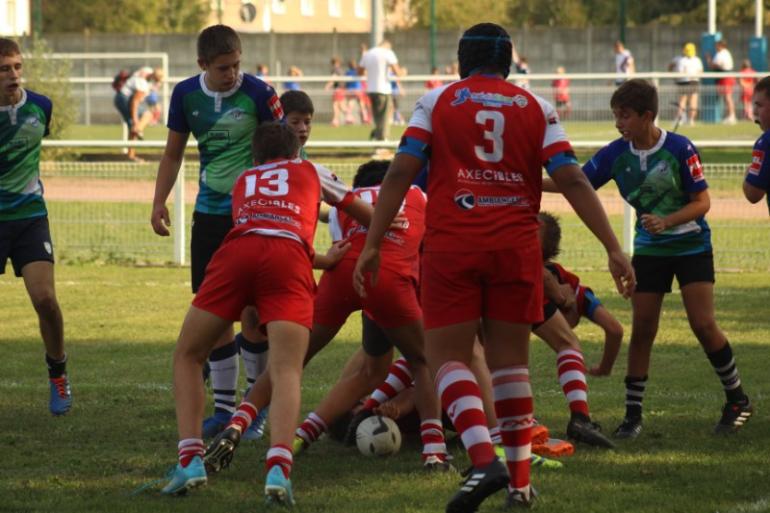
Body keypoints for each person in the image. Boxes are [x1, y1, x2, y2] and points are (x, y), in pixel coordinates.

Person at [353, 23, 634, 511]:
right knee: (511, 367)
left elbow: (400, 169)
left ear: (463, 60)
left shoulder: (438, 101)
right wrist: (612, 246)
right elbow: (569, 176)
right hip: (516, 248)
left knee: (445, 360)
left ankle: (484, 459)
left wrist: (373, 243)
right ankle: (520, 486)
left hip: (453, 245)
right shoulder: (537, 107)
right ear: (509, 61)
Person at [159, 122, 362, 504]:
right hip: (287, 259)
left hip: (238, 252)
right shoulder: (309, 169)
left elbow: (264, 230)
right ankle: (278, 469)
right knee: (286, 368)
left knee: (188, 354)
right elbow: (354, 210)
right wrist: (385, 228)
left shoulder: (244, 178)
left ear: (255, 157)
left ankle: (190, 460)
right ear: (295, 151)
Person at [571, 78, 752, 439]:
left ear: (647, 116)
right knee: (643, 330)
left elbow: (703, 203)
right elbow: (575, 182)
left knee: (703, 324)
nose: (618, 123)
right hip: (650, 251)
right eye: (615, 116)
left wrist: (667, 220)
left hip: (691, 246)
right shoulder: (615, 153)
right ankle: (633, 416)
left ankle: (737, 399)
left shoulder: (680, 148)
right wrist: (524, 181)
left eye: (625, 116)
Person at [150, 25, 284, 441]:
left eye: (237, 64)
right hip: (209, 215)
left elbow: (287, 150)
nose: (233, 74)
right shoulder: (185, 95)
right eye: (224, 68)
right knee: (216, 314)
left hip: (253, 215)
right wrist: (158, 202)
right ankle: (225, 410)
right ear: (203, 65)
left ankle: (254, 408)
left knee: (252, 313)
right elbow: (173, 153)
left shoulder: (261, 93)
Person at [0, 37, 72, 416]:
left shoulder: (41, 106)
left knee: (45, 300)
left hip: (30, 217)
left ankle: (58, 373)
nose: (13, 75)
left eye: (16, 67)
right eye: (4, 69)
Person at [538, 212, 625, 377]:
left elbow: (615, 330)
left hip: (574, 295)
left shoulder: (571, 288)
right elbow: (615, 331)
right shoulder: (555, 278)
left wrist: (604, 369)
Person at [113, 66, 161, 161]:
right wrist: (135, 121)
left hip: (121, 98)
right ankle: (138, 130)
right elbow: (135, 102)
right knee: (146, 116)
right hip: (124, 100)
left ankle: (131, 155)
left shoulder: (147, 71)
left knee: (136, 125)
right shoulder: (142, 85)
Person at [358, 40, 402, 141]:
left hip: (371, 90)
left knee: (377, 117)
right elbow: (398, 72)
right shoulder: (388, 53)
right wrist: (403, 72)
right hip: (384, 90)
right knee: (384, 117)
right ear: (387, 46)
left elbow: (359, 71)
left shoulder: (368, 53)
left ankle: (378, 139)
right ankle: (383, 141)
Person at [743, 75, 770, 205]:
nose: (754, 111)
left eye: (759, 105)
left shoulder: (766, 142)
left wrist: (749, 173)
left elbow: (753, 194)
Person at [668, 42, 703, 126]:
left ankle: (681, 119)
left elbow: (673, 69)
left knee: (683, 101)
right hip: (694, 81)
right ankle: (691, 120)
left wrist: (674, 76)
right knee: (692, 101)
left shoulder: (680, 59)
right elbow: (700, 71)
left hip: (683, 81)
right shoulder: (697, 60)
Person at [708, 40, 737, 124]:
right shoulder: (724, 53)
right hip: (724, 77)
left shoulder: (721, 54)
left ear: (720, 46)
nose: (715, 47)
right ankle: (729, 116)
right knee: (726, 97)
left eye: (717, 45)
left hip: (726, 77)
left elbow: (713, 66)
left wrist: (708, 59)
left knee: (728, 97)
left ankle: (732, 116)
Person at [326, 57, 349, 127]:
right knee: (339, 106)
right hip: (341, 89)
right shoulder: (341, 70)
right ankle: (336, 120)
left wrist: (328, 86)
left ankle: (347, 117)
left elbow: (333, 78)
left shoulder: (335, 69)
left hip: (338, 89)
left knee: (336, 105)